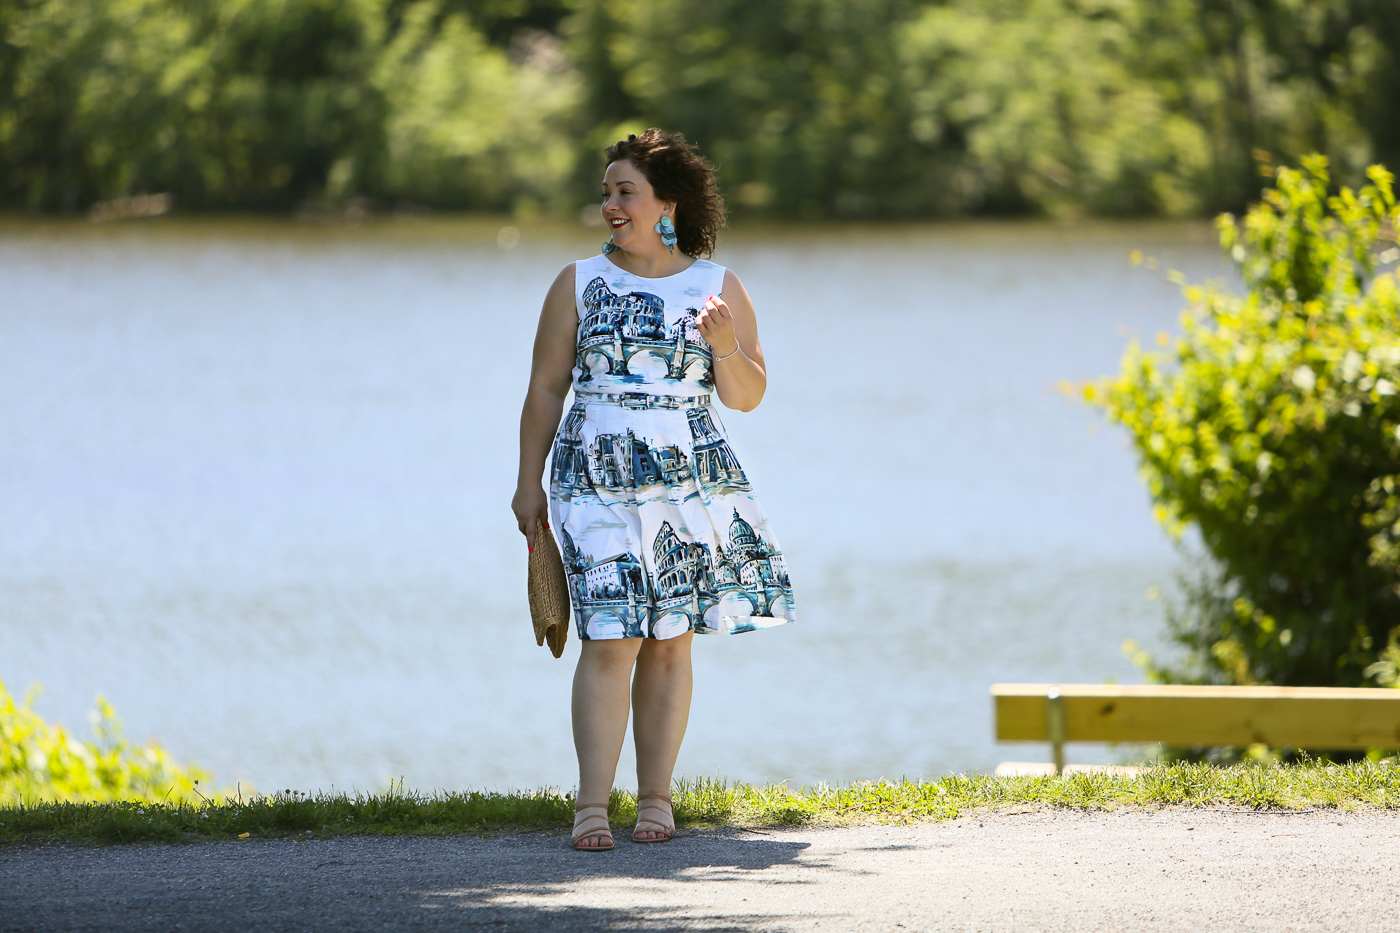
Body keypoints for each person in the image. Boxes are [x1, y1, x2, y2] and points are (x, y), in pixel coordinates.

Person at [512, 129, 796, 852]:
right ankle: (590, 806)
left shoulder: (718, 286)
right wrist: (527, 483)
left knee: (669, 642)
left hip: (688, 484)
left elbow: (748, 397)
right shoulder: (577, 282)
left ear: (666, 204)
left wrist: (725, 341)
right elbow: (547, 387)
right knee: (611, 636)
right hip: (592, 477)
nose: (610, 203)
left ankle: (657, 799)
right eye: (606, 191)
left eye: (624, 191)